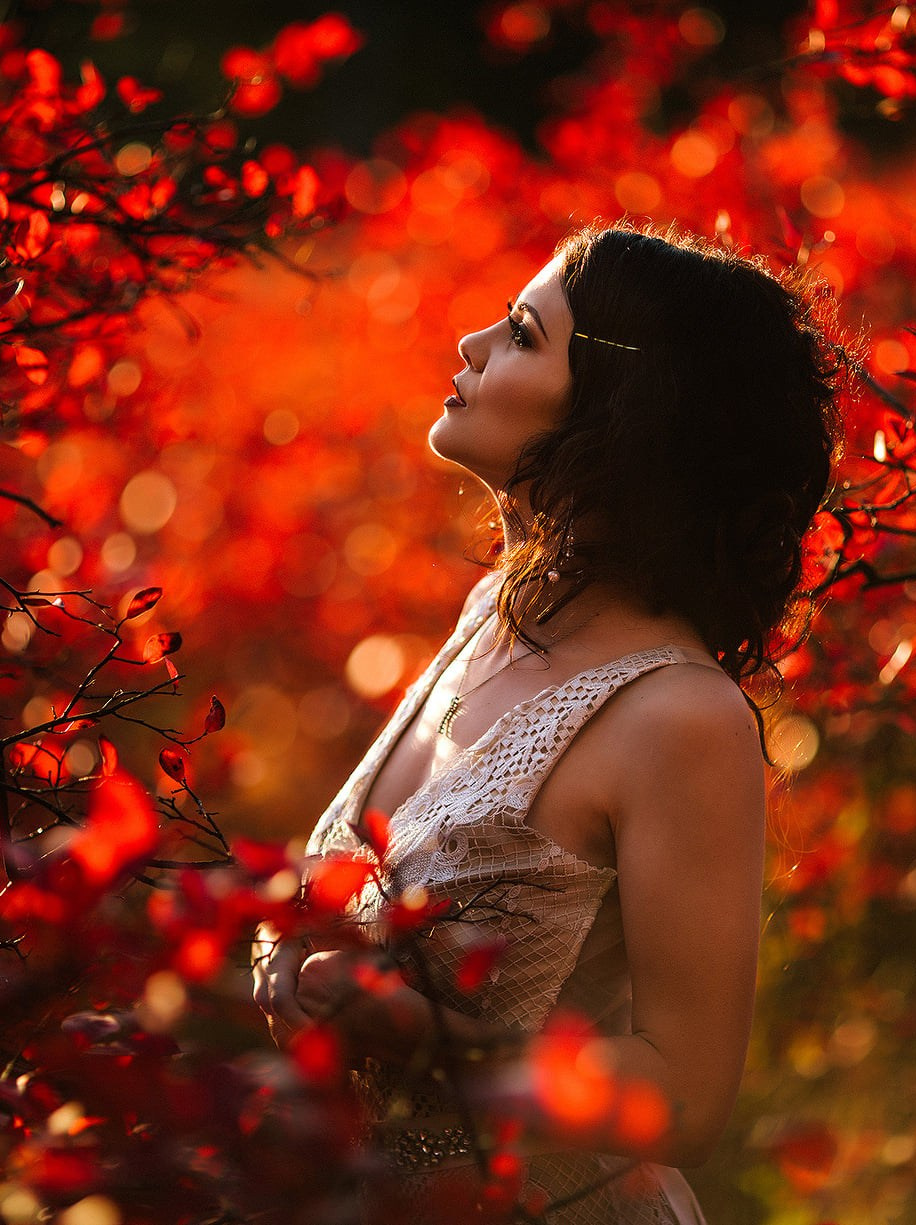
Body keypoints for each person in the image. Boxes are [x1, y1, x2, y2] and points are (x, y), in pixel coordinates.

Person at [252, 220, 847, 1223]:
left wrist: (442, 1045)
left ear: (626, 414)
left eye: (523, 334)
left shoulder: (676, 715)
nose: (469, 345)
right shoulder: (493, 614)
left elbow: (687, 1095)